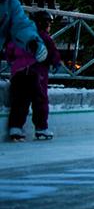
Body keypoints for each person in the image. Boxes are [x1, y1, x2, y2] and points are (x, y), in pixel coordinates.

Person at [6, 12, 61, 141]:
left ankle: (16, 127)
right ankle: (41, 127)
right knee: (40, 100)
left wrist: (12, 61)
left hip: (18, 73)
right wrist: (56, 62)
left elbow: (10, 49)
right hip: (37, 73)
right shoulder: (43, 37)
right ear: (44, 24)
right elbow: (52, 52)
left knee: (19, 100)